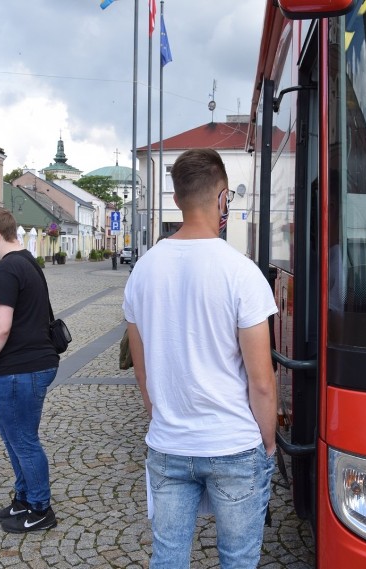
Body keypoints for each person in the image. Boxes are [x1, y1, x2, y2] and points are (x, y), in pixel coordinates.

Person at [122, 148, 278, 568]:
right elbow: (261, 381)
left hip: (169, 443)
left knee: (169, 558)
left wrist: (163, 418)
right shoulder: (242, 273)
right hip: (233, 443)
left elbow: (143, 371)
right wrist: (267, 444)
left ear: (176, 200)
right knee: (238, 559)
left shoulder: (142, 272)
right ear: (224, 197)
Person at [0, 207, 59, 533]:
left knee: (22, 440)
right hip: (29, 365)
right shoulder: (28, 262)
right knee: (13, 439)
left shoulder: (5, 271)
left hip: (19, 368)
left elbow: (0, 328)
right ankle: (23, 499)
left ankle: (40, 508)